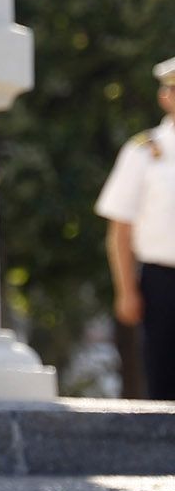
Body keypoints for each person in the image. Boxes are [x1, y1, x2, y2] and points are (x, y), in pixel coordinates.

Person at [97, 58, 175, 400]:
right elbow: (120, 228)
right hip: (162, 280)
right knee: (164, 380)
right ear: (166, 97)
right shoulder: (144, 151)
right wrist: (126, 290)